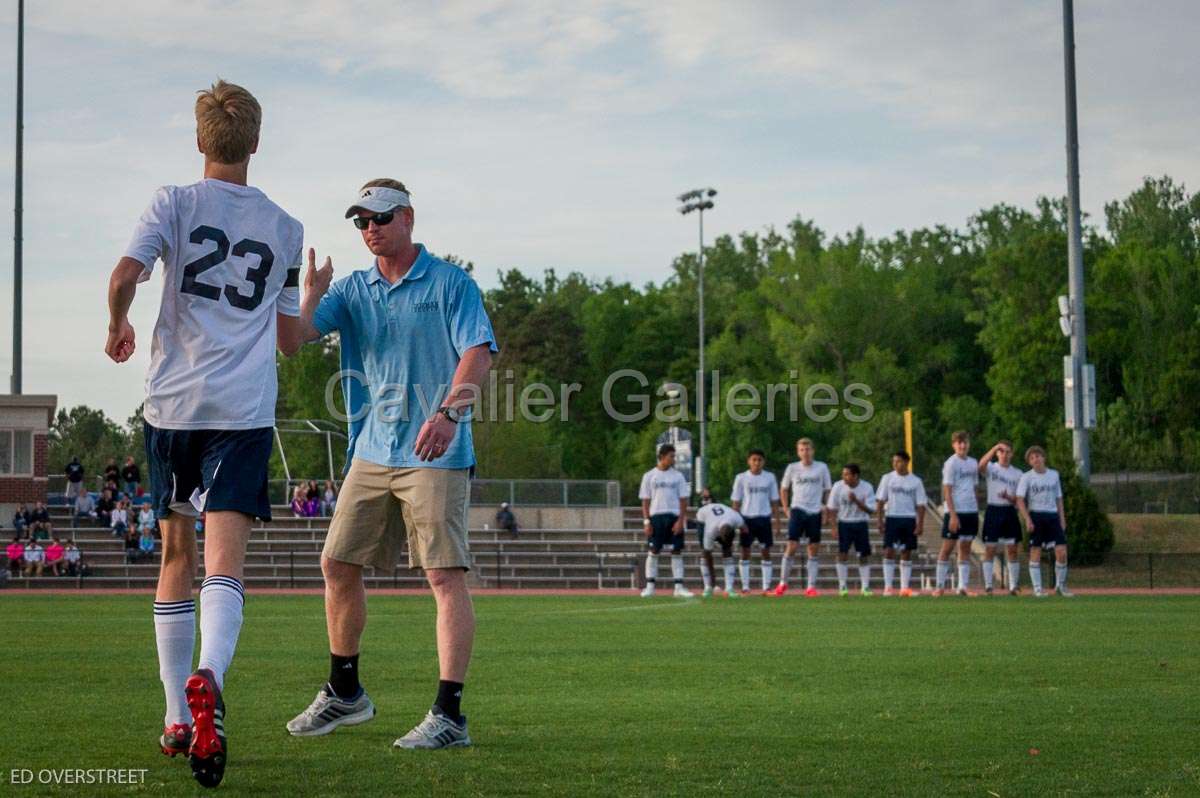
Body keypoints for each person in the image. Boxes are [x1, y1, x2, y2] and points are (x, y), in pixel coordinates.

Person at [105, 79, 306, 786]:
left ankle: (175, 717)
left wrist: (118, 321)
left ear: (200, 141)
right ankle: (210, 678)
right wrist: (311, 296)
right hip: (243, 412)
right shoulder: (287, 227)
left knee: (174, 557)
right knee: (225, 563)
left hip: (173, 407)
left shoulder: (174, 201)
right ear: (255, 142)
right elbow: (288, 340)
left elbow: (126, 274)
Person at [284, 177, 497, 752]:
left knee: (443, 576)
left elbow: (478, 353)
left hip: (436, 450)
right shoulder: (352, 289)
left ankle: (450, 715)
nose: (369, 229)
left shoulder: (451, 283)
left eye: (378, 218)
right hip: (371, 451)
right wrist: (307, 292)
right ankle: (345, 692)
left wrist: (450, 414)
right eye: (361, 222)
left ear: (407, 217)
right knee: (337, 564)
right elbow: (294, 339)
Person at [775, 438, 833, 597]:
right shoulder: (792, 468)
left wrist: (826, 509)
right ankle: (782, 583)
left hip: (815, 511)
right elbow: (784, 488)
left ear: (813, 450)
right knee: (792, 545)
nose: (805, 453)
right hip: (798, 509)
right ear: (798, 452)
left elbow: (828, 490)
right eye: (802, 450)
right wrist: (786, 507)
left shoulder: (822, 467)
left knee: (813, 548)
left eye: (807, 449)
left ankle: (811, 586)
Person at [1016, 446, 1072, 597]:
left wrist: (1062, 518)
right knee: (1036, 551)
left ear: (1043, 457)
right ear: (1029, 462)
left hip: (1052, 516)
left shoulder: (1054, 475)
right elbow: (1020, 500)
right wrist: (1027, 519)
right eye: (1032, 458)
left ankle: (1060, 586)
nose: (1036, 459)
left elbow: (1058, 498)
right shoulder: (1026, 477)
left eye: (1038, 456)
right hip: (1036, 516)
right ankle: (1038, 589)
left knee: (1061, 552)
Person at [637, 444, 692, 599]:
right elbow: (645, 501)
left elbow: (683, 500)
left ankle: (679, 587)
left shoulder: (678, 476)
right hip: (656, 517)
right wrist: (646, 521)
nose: (673, 459)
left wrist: (681, 520)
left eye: (674, 456)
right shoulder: (649, 476)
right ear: (662, 456)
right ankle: (650, 587)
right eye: (671, 456)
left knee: (676, 551)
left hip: (674, 516)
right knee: (654, 551)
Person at [875, 451, 927, 597]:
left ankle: (904, 588)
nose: (895, 464)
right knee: (889, 550)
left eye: (898, 461)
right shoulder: (887, 478)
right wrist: (880, 520)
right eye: (894, 461)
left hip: (909, 518)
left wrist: (920, 523)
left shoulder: (915, 481)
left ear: (906, 462)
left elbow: (921, 504)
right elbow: (880, 501)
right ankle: (888, 587)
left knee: (907, 551)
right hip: (892, 517)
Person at [936, 431, 980, 597]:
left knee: (966, 548)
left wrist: (975, 508)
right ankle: (939, 586)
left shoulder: (973, 463)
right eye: (959, 442)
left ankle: (962, 586)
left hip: (970, 511)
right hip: (956, 511)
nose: (962, 445)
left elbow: (975, 488)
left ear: (968, 444)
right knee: (947, 548)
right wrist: (953, 515)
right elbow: (947, 490)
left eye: (965, 442)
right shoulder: (951, 463)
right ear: (953, 445)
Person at [731, 449, 780, 595]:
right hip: (747, 519)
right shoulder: (741, 478)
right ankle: (745, 586)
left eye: (759, 460)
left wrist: (777, 521)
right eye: (754, 460)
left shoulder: (770, 477)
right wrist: (737, 521)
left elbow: (774, 501)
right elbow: (736, 502)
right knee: (745, 551)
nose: (757, 463)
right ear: (749, 461)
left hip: (764, 518)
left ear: (763, 462)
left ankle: (766, 587)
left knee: (765, 552)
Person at [978, 441, 1024, 595]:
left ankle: (1013, 586)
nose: (1004, 455)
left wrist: (1009, 497)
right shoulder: (992, 468)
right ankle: (989, 586)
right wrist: (994, 447)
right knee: (990, 549)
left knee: (1012, 549)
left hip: (1009, 511)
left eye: (1007, 451)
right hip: (993, 509)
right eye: (1001, 451)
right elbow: (980, 466)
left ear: (1012, 454)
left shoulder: (1018, 474)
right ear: (997, 453)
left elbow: (1019, 500)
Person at [826, 464, 876, 596]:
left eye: (847, 474)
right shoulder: (838, 486)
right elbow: (831, 508)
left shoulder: (867, 487)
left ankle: (865, 587)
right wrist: (833, 526)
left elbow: (871, 510)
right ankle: (842, 586)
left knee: (863, 555)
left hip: (860, 524)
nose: (844, 477)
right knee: (842, 554)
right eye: (843, 474)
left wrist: (856, 501)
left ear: (855, 476)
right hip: (844, 524)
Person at [693, 500, 747, 598]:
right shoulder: (710, 530)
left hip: (724, 514)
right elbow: (708, 554)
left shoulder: (737, 518)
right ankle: (708, 587)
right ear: (719, 535)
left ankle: (729, 588)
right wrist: (713, 579)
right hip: (703, 517)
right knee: (705, 552)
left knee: (727, 550)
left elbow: (745, 529)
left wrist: (742, 541)